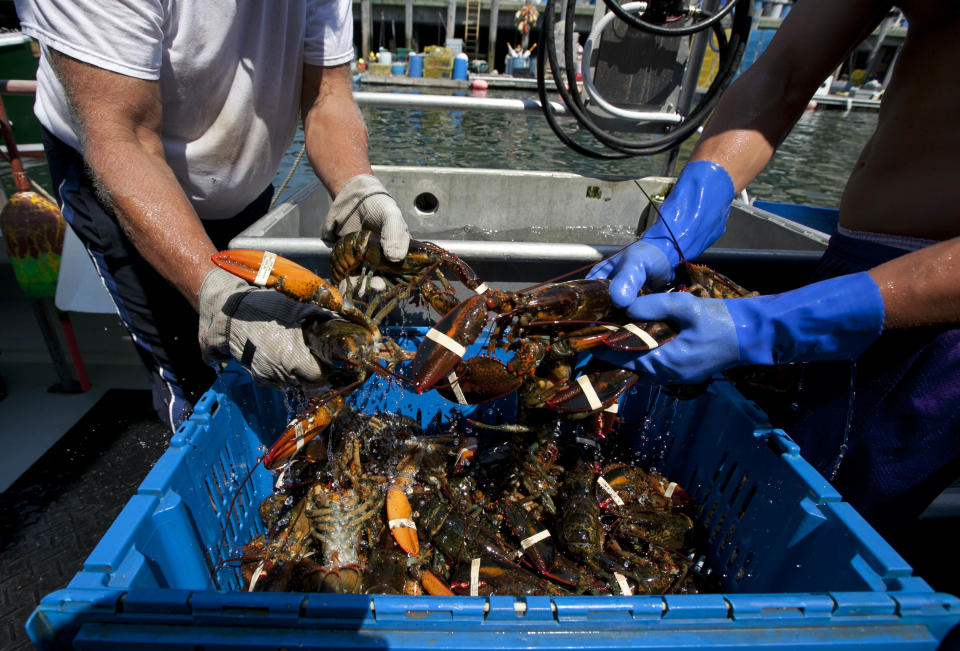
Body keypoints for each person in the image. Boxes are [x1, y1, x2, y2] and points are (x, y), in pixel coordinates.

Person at [588, 0, 960, 540]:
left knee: (833, 531)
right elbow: (785, 71)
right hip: (847, 267)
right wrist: (675, 232)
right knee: (775, 502)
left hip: (939, 318)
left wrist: (762, 325)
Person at [14, 1, 410, 431]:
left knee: (277, 349)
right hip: (120, 174)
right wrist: (218, 294)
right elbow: (121, 138)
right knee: (189, 372)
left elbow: (326, 95)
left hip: (238, 181)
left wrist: (357, 186)